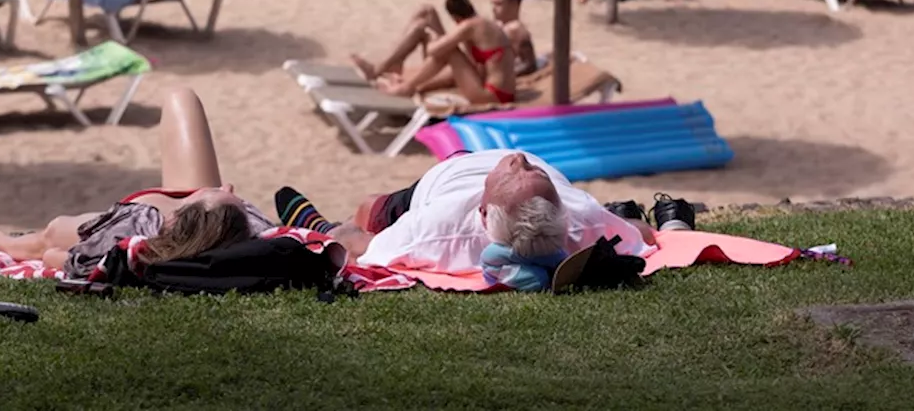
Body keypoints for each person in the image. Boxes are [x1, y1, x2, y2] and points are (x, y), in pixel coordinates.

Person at [0, 87, 274, 271]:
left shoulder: (132, 241)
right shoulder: (256, 235)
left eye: (223, 191)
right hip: (199, 213)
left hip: (149, 218)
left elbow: (56, 258)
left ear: (174, 220)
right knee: (181, 97)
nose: (229, 186)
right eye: (229, 192)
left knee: (54, 233)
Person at [275, 150, 654, 275]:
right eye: (533, 171)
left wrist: (344, 236)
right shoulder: (581, 213)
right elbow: (644, 235)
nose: (519, 159)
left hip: (443, 180)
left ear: (484, 210)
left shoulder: (438, 228)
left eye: (519, 172)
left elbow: (365, 254)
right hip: (462, 175)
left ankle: (317, 224)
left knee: (365, 213)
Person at [351, 0, 517, 105]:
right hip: (493, 91)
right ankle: (394, 66)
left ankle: (400, 81)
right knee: (426, 12)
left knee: (446, 49)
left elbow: (435, 50)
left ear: (455, 18)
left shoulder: (471, 27)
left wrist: (433, 37)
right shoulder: (479, 26)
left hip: (492, 96)